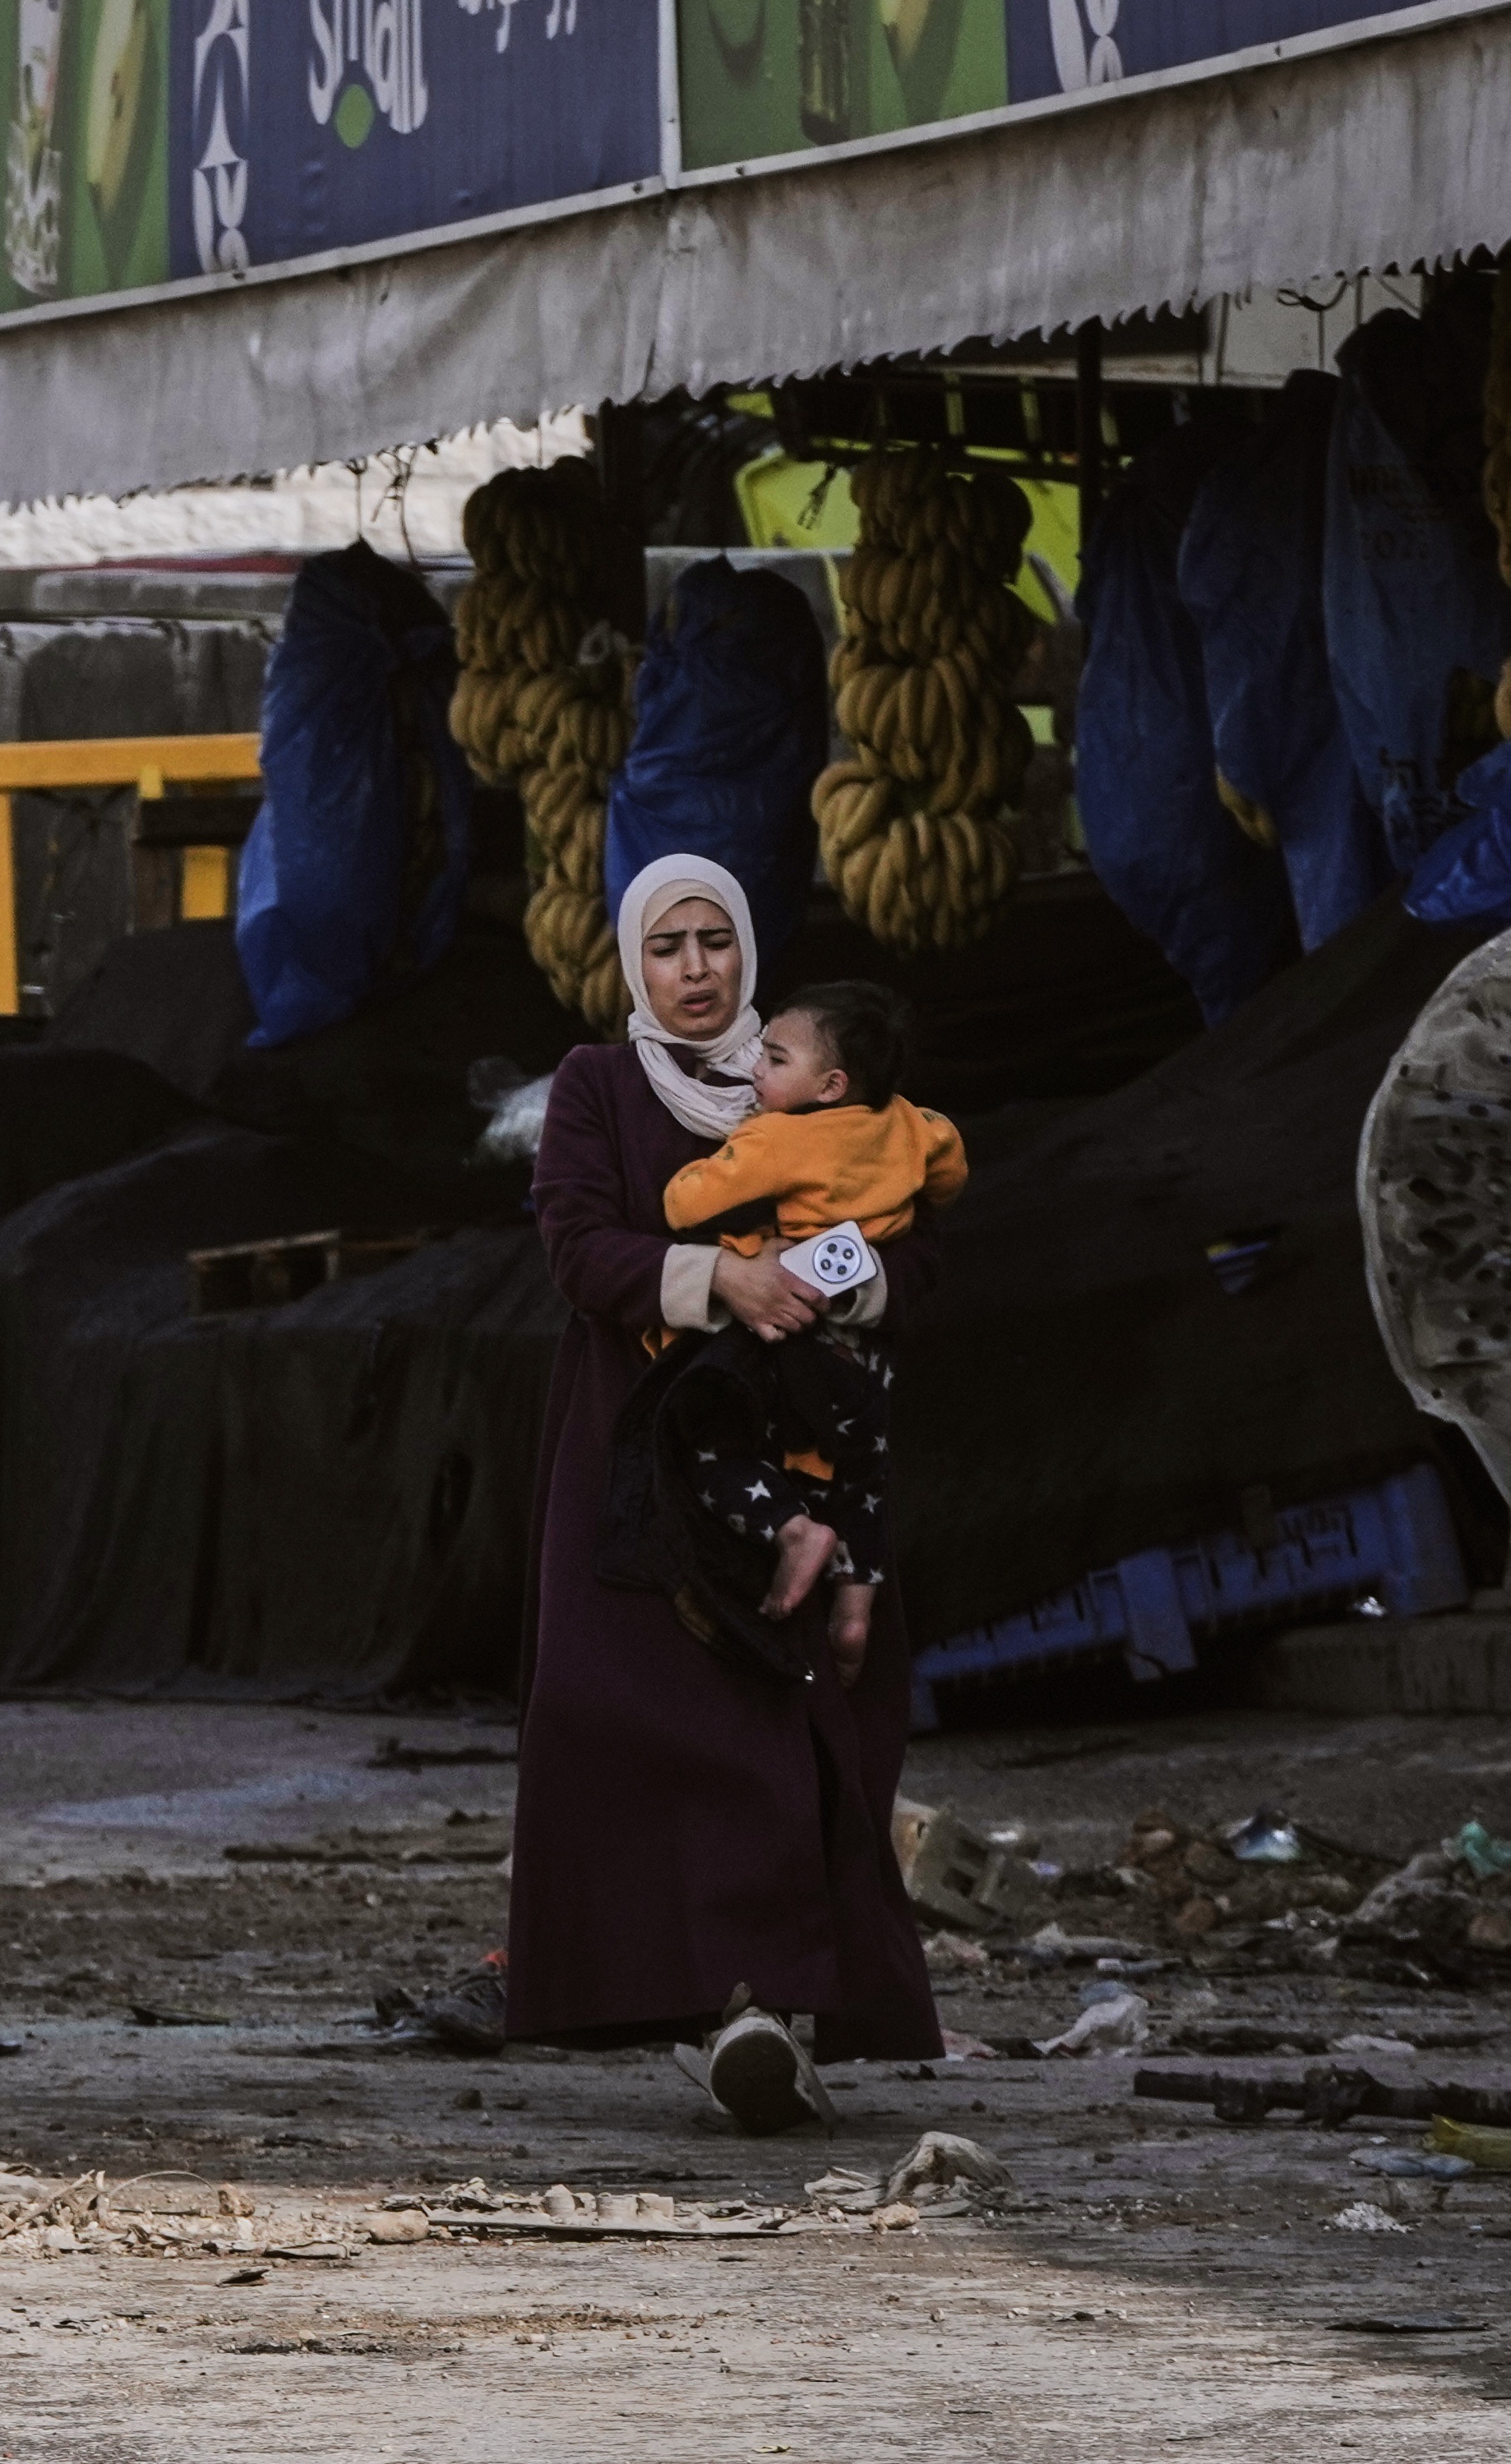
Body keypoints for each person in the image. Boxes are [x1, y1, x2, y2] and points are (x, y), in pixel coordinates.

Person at [507, 856, 938, 2135]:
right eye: (667, 946)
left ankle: (773, 2007)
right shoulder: (598, 1087)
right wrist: (719, 1283)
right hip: (644, 1461)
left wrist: (819, 1282)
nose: (695, 968)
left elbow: (918, 1244)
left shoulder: (825, 1083)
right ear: (632, 965)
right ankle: (726, 2001)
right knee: (644, 1720)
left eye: (715, 942)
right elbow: (578, 1244)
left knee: (797, 1722)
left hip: (800, 1457)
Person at [650, 981, 964, 1677]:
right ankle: (854, 1611)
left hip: (803, 1343)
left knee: (721, 1453)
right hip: (872, 1348)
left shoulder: (776, 1139)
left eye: (775, 1059)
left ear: (830, 1086)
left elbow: (683, 1204)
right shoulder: (916, 1124)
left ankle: (792, 1532)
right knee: (865, 1476)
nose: (757, 1071)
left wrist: (718, 1158)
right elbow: (949, 1172)